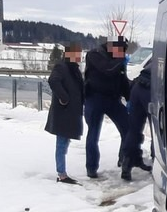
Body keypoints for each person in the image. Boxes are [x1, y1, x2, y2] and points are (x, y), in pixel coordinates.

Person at [82, 38, 131, 178]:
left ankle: (124, 161)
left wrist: (129, 98)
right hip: (94, 98)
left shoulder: (118, 59)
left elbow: (122, 79)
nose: (122, 54)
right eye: (120, 51)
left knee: (128, 129)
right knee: (93, 133)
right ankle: (91, 168)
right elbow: (108, 69)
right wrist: (120, 60)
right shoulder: (94, 54)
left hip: (113, 99)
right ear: (112, 47)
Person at [44, 43, 85, 184]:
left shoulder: (73, 68)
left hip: (71, 112)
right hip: (63, 112)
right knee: (61, 142)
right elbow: (53, 80)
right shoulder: (61, 67)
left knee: (64, 141)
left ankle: (62, 172)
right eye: (77, 54)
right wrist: (64, 98)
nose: (80, 56)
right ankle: (61, 174)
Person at [120, 55, 154, 181]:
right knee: (157, 130)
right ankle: (156, 162)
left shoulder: (158, 55)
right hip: (151, 90)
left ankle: (127, 163)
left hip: (138, 87)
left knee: (134, 129)